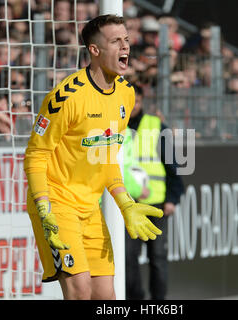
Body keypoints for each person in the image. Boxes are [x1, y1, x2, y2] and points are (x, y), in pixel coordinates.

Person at [23, 14, 164, 300]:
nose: (125, 47)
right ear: (95, 50)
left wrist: (125, 203)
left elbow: (107, 157)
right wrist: (44, 207)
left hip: (90, 206)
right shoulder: (66, 97)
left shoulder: (126, 94)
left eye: (126, 39)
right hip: (57, 204)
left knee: (106, 296)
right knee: (80, 290)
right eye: (116, 41)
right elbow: (35, 155)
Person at [125, 84, 184, 300]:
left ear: (142, 102)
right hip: (127, 204)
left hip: (155, 203)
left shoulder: (156, 126)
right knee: (128, 257)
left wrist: (172, 198)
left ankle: (159, 302)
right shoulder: (113, 126)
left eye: (136, 101)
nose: (133, 106)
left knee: (157, 257)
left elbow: (173, 166)